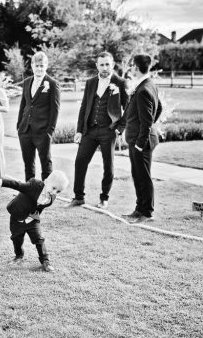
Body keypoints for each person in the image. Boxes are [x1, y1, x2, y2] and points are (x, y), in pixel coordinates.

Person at [69, 51, 128, 209]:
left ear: (113, 65)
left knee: (108, 165)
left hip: (109, 130)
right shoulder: (90, 82)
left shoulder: (120, 83)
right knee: (80, 161)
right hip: (90, 130)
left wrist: (120, 128)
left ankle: (104, 197)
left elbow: (128, 108)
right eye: (101, 64)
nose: (104, 67)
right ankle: (79, 197)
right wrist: (79, 130)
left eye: (107, 64)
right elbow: (84, 107)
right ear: (97, 66)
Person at [0, 170, 69, 273]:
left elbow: (40, 208)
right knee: (16, 238)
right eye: (53, 188)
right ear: (46, 181)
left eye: (58, 191)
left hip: (32, 219)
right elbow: (17, 185)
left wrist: (33, 216)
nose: (54, 192)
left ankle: (45, 261)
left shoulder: (51, 198)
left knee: (39, 239)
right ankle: (19, 256)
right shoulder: (34, 185)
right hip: (17, 215)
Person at [123, 54, 162, 223]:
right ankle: (139, 209)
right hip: (137, 139)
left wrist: (140, 143)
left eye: (132, 65)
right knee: (137, 175)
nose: (130, 68)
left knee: (143, 176)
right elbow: (158, 108)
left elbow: (146, 121)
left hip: (141, 142)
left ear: (137, 68)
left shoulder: (144, 90)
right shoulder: (148, 85)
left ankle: (147, 212)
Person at [17, 51, 60, 181]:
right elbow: (23, 105)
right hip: (25, 130)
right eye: (37, 65)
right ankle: (29, 193)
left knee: (45, 163)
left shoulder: (52, 83)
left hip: (43, 131)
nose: (39, 68)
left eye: (42, 65)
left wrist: (50, 131)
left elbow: (55, 109)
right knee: (28, 164)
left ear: (46, 66)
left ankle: (46, 193)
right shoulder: (27, 82)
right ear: (32, 66)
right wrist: (19, 125)